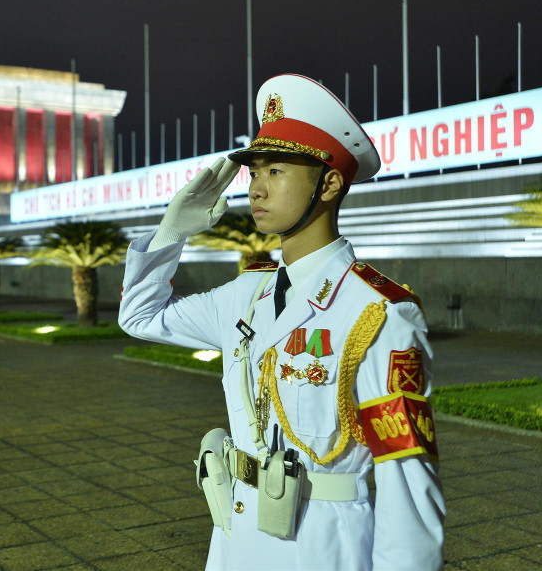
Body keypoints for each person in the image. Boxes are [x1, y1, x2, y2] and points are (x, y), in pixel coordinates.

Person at [118, 74, 445, 570]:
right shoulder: (245, 295)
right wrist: (172, 230)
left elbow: (406, 480)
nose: (257, 188)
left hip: (321, 543)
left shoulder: (378, 314)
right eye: (254, 173)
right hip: (236, 536)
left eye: (276, 170)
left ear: (330, 183)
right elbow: (140, 317)